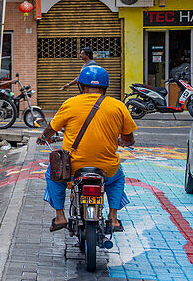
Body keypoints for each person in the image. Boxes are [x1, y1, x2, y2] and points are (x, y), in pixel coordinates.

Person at [36, 65, 136, 233]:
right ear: (105, 87)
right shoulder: (118, 106)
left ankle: (60, 217)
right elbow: (129, 139)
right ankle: (113, 218)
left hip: (73, 168)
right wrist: (122, 141)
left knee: (52, 175)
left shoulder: (70, 103)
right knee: (118, 178)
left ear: (81, 86)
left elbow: (51, 129)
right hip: (107, 168)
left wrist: (44, 137)